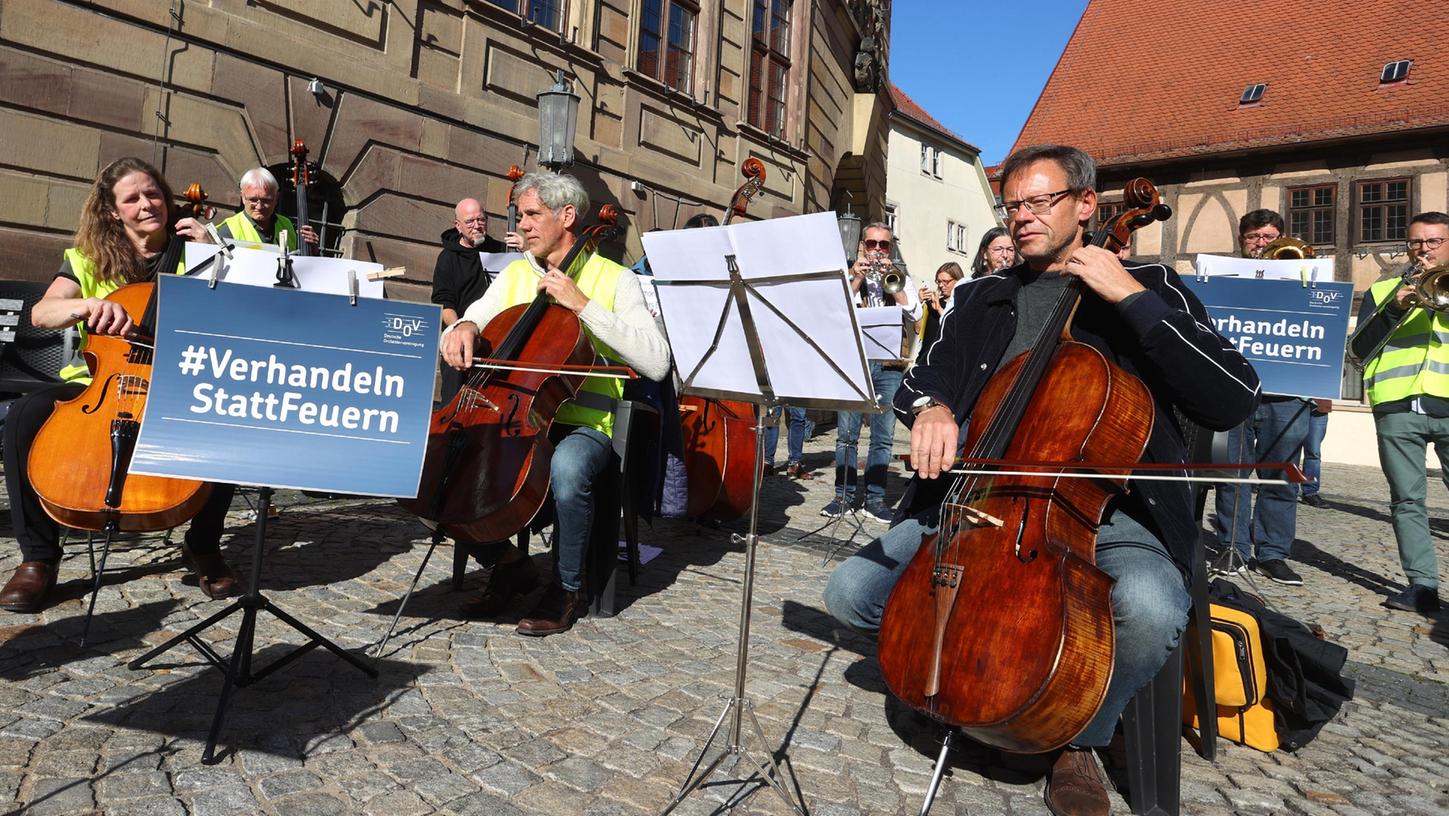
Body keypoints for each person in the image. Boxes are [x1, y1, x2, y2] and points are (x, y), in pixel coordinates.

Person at [823, 144, 1259, 816]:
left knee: (1150, 608)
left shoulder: (1151, 285)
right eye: (1012, 206)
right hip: (980, 500)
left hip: (1105, 510)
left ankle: (1073, 737)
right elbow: (923, 376)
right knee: (851, 592)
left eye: (1038, 202)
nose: (1021, 218)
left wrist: (1131, 299)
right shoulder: (980, 296)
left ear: (1085, 205)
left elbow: (1229, 398)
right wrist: (930, 407)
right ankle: (981, 680)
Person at [0, 157, 242, 613]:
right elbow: (42, 313)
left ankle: (204, 546)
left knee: (224, 421)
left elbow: (238, 315)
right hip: (98, 383)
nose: (146, 204)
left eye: (152, 193)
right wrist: (87, 304)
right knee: (24, 416)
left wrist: (217, 257)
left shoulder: (200, 250)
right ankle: (39, 559)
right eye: (131, 198)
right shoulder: (88, 258)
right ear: (113, 211)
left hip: (176, 380)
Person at [440, 172, 671, 636]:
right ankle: (507, 563)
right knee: (437, 461)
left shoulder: (616, 279)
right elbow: (475, 316)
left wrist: (583, 305)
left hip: (586, 421)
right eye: (519, 215)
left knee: (567, 469)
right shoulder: (516, 272)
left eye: (531, 214)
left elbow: (657, 362)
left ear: (567, 216)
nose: (521, 225)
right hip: (510, 413)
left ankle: (566, 589)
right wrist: (463, 326)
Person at [1348, 211, 1449, 613]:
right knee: (1407, 500)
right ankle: (1422, 585)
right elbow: (1358, 351)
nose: (1423, 250)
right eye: (1416, 242)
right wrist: (1394, 308)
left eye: (1434, 242)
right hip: (1397, 407)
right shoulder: (1387, 287)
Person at [1212, 209, 1313, 585]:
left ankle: (1272, 553)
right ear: (1242, 242)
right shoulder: (1227, 279)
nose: (1261, 244)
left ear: (1283, 239)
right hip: (1236, 390)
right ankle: (1233, 546)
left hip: (1287, 393)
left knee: (1281, 477)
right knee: (1231, 474)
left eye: (1269, 237)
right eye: (1254, 237)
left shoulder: (1307, 278)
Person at [822, 222, 921, 524]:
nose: (878, 250)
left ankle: (874, 499)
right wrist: (855, 278)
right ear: (862, 245)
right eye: (872, 244)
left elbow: (915, 313)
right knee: (846, 436)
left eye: (884, 245)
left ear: (891, 248)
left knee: (882, 437)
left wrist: (899, 283)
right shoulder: (847, 274)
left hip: (889, 366)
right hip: (855, 363)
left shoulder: (900, 277)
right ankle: (843, 496)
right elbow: (836, 311)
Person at [431, 198, 507, 403]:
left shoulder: (501, 250)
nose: (477, 226)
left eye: (481, 219)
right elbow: (444, 302)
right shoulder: (447, 258)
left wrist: (524, 252)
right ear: (458, 226)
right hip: (461, 336)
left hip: (497, 336)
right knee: (454, 395)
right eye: (470, 221)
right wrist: (458, 329)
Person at [214, 167, 319, 251]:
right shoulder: (228, 231)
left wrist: (312, 250)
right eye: (253, 200)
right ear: (243, 198)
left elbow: (301, 267)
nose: (259, 207)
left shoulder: (287, 225)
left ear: (276, 198)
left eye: (266, 201)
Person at [918, 261, 964, 353]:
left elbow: (958, 331)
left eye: (945, 281)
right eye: (938, 281)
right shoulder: (931, 303)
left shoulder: (963, 304)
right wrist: (919, 303)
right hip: (926, 358)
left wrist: (939, 309)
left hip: (948, 360)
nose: (941, 285)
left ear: (958, 280)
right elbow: (917, 329)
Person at [1299, 399, 1331, 507]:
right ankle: (1281, 488)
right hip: (1293, 403)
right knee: (1287, 449)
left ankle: (1310, 493)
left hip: (1319, 407)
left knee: (1314, 452)